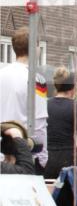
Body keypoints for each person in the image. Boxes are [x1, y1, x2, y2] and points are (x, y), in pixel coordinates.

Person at [0, 27, 48, 169]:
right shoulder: (37, 80)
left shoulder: (1, 74)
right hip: (24, 155)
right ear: (35, 48)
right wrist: (42, 157)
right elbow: (39, 121)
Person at [45, 68, 77, 178]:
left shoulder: (45, 105)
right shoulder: (75, 106)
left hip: (47, 158)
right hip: (70, 159)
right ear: (72, 88)